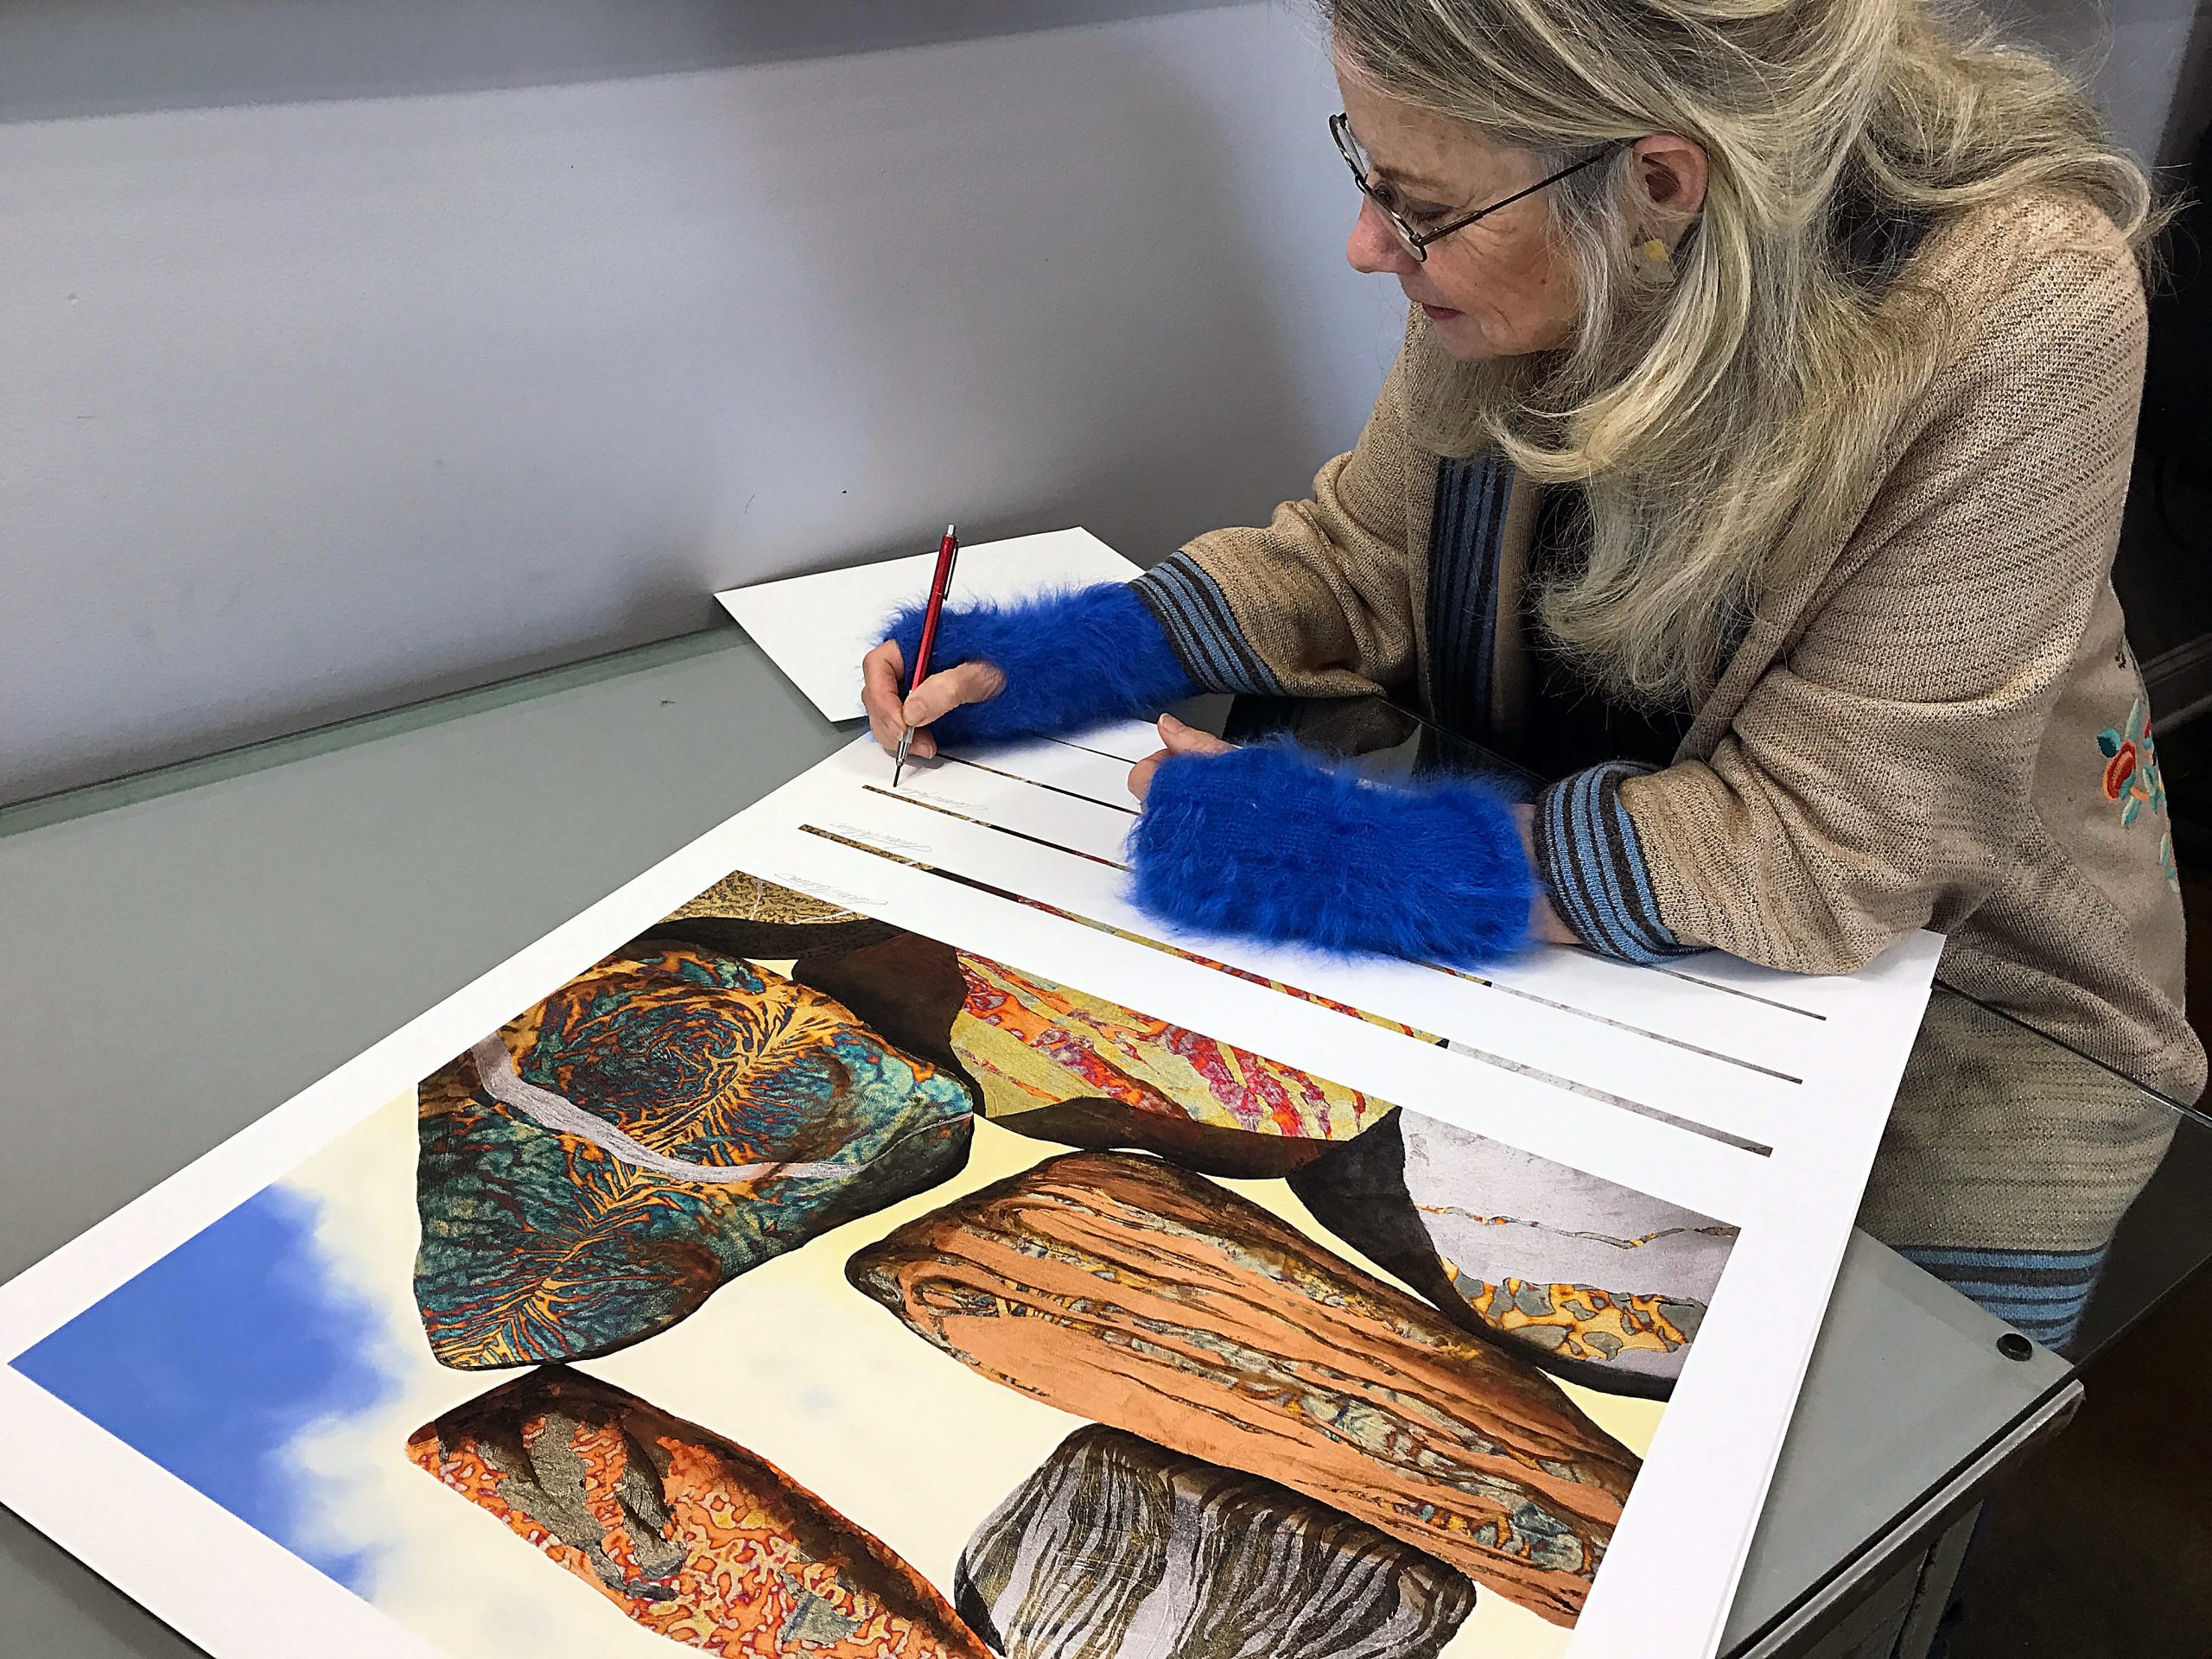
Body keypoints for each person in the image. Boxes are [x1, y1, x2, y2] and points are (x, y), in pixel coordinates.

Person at [860, 0, 2202, 1338]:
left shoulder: (2022, 304)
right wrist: (1074, 650)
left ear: (1657, 186)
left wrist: (1344, 860)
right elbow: (1367, 552)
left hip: (1955, 1021)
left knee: (1848, 1472)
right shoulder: (1555, 222)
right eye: (1368, 178)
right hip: (1605, 964)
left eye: (1421, 208)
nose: (1367, 245)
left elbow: (1835, 845)